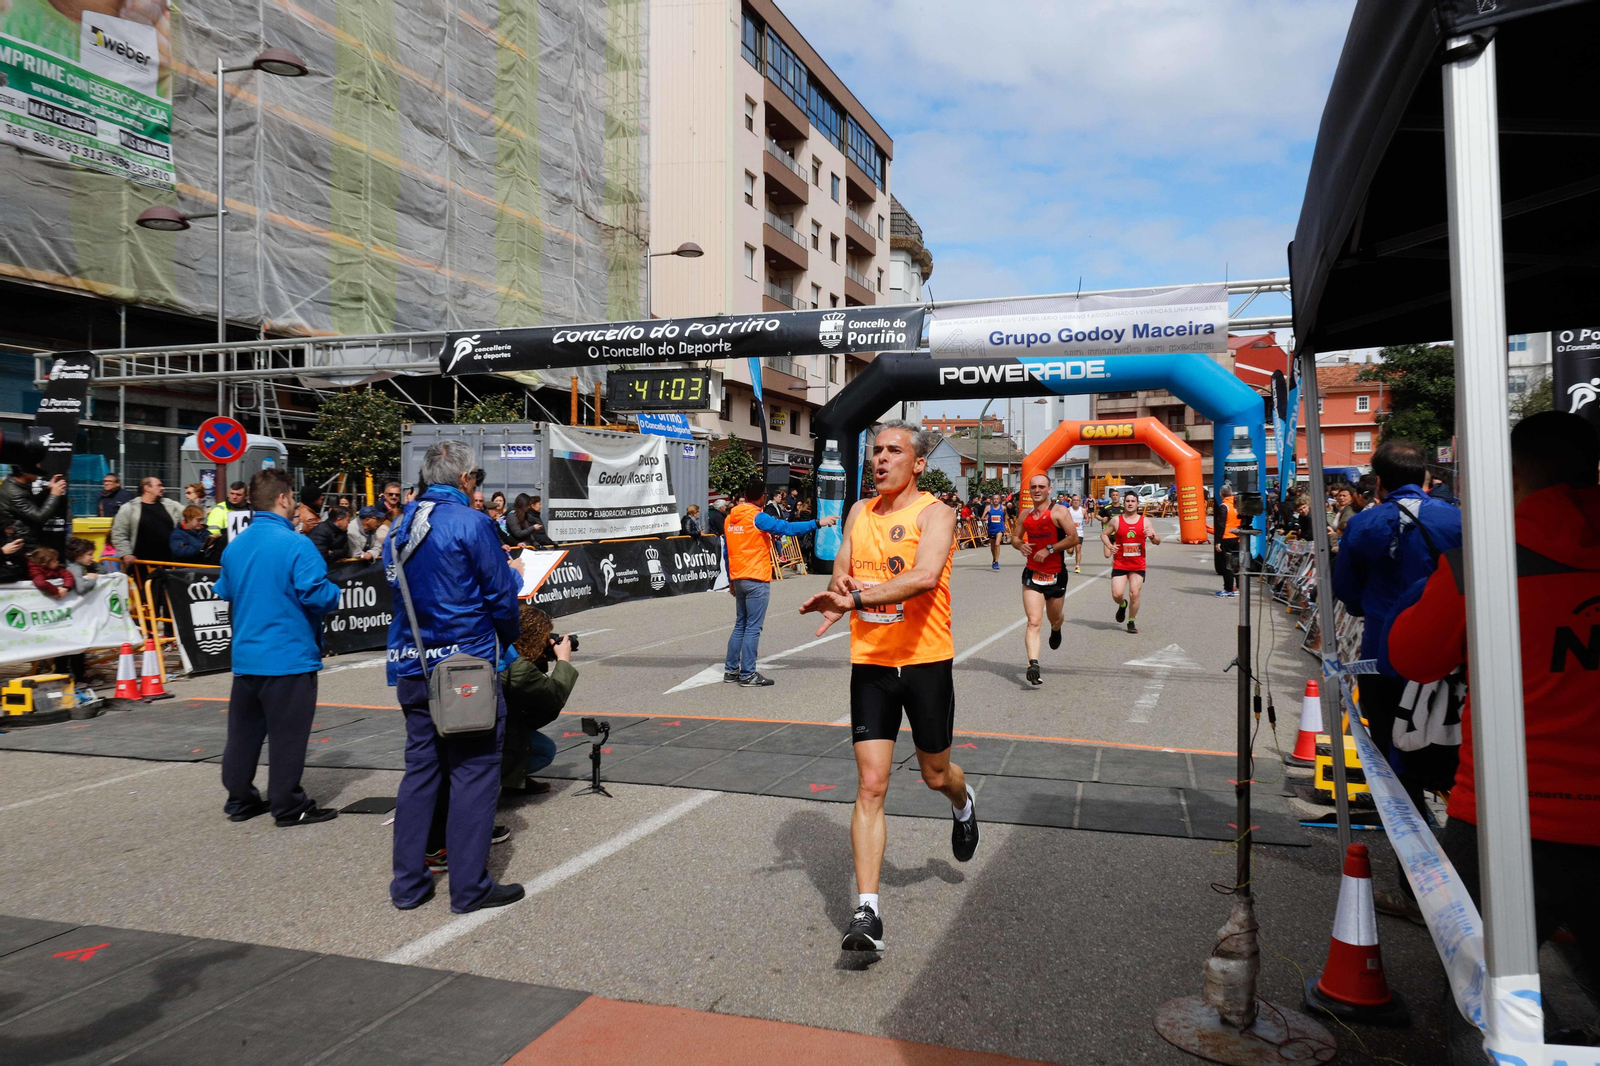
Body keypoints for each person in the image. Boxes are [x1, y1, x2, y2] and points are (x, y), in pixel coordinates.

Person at [1388, 412, 1600, 976]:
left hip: (1506, 813)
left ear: (1510, 475)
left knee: (1484, 995)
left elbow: (1411, 657)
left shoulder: (1485, 563)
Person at [798, 420, 976, 952]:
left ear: (918, 463)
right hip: (871, 664)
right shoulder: (858, 512)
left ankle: (964, 803)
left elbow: (924, 577)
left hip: (925, 662)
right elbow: (840, 575)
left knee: (934, 773)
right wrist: (841, 586)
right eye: (875, 450)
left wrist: (854, 600)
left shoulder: (937, 514)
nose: (880, 459)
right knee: (871, 785)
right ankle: (868, 911)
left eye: (893, 451)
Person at [386, 439, 525, 914]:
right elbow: (501, 597)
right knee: (473, 771)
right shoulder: (472, 522)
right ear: (465, 479)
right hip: (465, 665)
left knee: (420, 773)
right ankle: (469, 888)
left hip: (412, 661)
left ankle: (408, 884)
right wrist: (508, 638)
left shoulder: (399, 526)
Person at [1332, 439, 1463, 808]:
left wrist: (1374, 609)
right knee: (1455, 749)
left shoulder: (1363, 524)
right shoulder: (1455, 519)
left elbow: (1346, 590)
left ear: (1378, 482)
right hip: (1448, 654)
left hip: (1384, 653)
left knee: (1391, 747)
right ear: (1425, 476)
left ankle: (1407, 827)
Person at [214, 469, 343, 827]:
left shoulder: (236, 546)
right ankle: (288, 805)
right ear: (284, 499)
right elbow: (317, 594)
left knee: (243, 735)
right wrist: (336, 592)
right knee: (288, 738)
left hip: (246, 655)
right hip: (288, 656)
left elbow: (223, 591)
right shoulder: (296, 544)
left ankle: (239, 799)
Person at [722, 475, 836, 687]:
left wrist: (730, 579)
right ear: (762, 497)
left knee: (741, 624)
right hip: (756, 577)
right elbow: (788, 529)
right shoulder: (758, 517)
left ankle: (730, 670)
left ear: (745, 496)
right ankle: (747, 674)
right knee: (753, 627)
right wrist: (818, 523)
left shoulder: (730, 518)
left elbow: (726, 551)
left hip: (739, 577)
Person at [499, 603, 576, 797]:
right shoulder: (518, 669)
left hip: (493, 723)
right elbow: (553, 697)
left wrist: (541, 656)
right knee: (545, 750)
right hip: (497, 731)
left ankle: (514, 778)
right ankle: (505, 779)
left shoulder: (503, 649)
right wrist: (563, 661)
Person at [1014, 473, 1079, 684]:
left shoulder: (1059, 512)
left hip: (1056, 574)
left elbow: (1073, 538)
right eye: (1033, 487)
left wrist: (1050, 549)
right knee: (1033, 621)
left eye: (1041, 486)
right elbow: (1015, 537)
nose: (1037, 490)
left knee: (1054, 617)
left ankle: (1057, 627)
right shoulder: (1025, 515)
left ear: (1049, 489)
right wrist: (1020, 545)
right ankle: (1033, 664)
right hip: (1032, 573)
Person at [1102, 488, 1160, 635]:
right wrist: (1110, 545)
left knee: (1134, 593)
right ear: (1124, 503)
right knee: (1117, 594)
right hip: (1120, 563)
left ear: (1137, 504)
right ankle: (1122, 605)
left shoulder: (1145, 521)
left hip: (1137, 564)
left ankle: (1131, 621)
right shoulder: (1116, 520)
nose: (1130, 504)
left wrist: (1152, 536)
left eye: (1132, 501)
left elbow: (1157, 541)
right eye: (1127, 501)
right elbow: (1104, 534)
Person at [110, 477, 184, 570]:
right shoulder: (129, 508)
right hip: (141, 566)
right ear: (147, 488)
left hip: (170, 565)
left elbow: (188, 515)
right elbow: (119, 534)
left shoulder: (171, 505)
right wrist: (126, 554)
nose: (163, 488)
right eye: (159, 485)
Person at [0, 465, 67, 553]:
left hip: (23, 540)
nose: (38, 474)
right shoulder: (14, 492)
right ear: (25, 473)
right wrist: (54, 495)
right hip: (21, 544)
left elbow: (30, 505)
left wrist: (48, 490)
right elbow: (39, 517)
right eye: (36, 470)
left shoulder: (17, 485)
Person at [1207, 484, 1241, 597]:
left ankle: (1228, 589)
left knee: (1227, 564)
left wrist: (1218, 542)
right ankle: (1239, 587)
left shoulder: (1224, 506)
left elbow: (1221, 525)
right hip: (1238, 537)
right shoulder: (1238, 505)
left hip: (1227, 537)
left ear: (1221, 494)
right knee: (1237, 563)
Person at [206, 481, 252, 545]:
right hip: (225, 547)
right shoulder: (219, 509)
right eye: (232, 493)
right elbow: (212, 533)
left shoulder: (251, 509)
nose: (234, 497)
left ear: (246, 495)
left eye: (238, 495)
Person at [984, 495, 1007, 571]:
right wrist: (984, 518)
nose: (996, 500)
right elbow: (982, 517)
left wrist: (1005, 524)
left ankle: (996, 561)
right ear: (992, 500)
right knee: (992, 546)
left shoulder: (1003, 508)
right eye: (994, 499)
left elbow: (1005, 515)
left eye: (997, 499)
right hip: (991, 528)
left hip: (1000, 528)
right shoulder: (988, 508)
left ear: (1000, 500)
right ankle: (994, 558)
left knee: (997, 543)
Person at [1067, 494, 1087, 574]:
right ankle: (1071, 553)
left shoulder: (1083, 510)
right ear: (1072, 502)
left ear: (1080, 502)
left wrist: (1087, 520)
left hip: (1079, 532)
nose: (1075, 502)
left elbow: (1086, 517)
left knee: (1078, 549)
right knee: (1069, 550)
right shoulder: (1068, 510)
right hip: (1070, 532)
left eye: (1077, 500)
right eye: (1074, 500)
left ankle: (1077, 566)